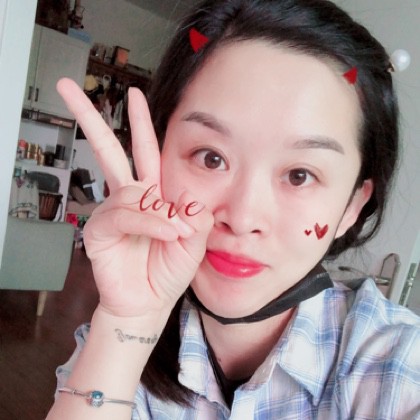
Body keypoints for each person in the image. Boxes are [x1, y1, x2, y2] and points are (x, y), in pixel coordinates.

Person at [46, 0, 420, 419]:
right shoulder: (109, 342)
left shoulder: (397, 366)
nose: (242, 219)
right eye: (211, 158)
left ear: (352, 205)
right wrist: (126, 326)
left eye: (299, 175)